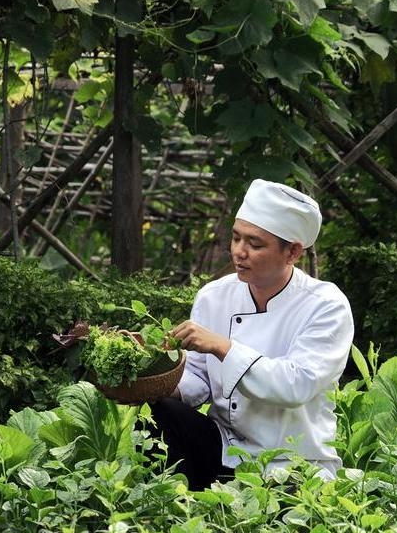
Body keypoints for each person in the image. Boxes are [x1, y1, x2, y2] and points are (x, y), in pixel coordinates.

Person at [149, 178, 354, 489]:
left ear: (293, 253)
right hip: (223, 448)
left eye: (255, 244)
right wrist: (153, 380)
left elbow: (295, 385)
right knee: (163, 410)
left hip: (292, 463)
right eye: (235, 238)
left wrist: (223, 347)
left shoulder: (326, 305)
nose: (239, 252)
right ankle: (169, 499)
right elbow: (198, 379)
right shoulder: (214, 296)